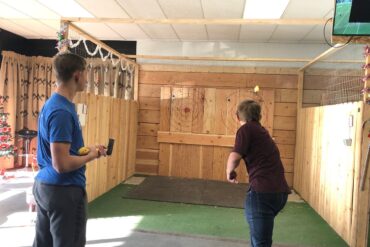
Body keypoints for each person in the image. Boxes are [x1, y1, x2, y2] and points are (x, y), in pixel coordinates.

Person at [33, 52, 107, 247]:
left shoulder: (55, 105)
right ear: (77, 75)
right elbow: (62, 164)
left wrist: (89, 149)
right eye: (85, 74)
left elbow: (61, 151)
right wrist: (91, 156)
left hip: (46, 187)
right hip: (63, 192)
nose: (86, 79)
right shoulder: (62, 112)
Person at [226, 100, 290, 247]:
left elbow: (234, 156)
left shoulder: (246, 129)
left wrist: (229, 172)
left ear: (237, 116)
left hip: (263, 194)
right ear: (259, 116)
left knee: (260, 243)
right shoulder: (262, 131)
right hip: (280, 193)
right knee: (259, 240)